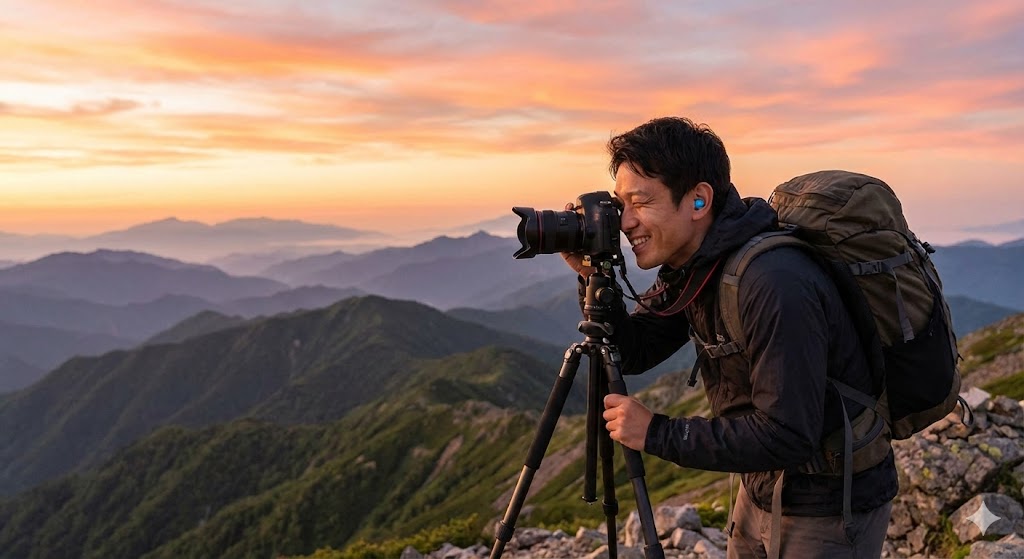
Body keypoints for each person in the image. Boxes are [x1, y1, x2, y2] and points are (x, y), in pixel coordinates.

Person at [562, 117, 896, 558]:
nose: (624, 222)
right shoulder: (693, 263)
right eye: (619, 204)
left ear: (699, 200)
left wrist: (658, 433)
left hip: (827, 505)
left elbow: (788, 433)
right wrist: (592, 278)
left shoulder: (773, 281)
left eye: (640, 202)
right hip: (758, 486)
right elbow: (636, 349)